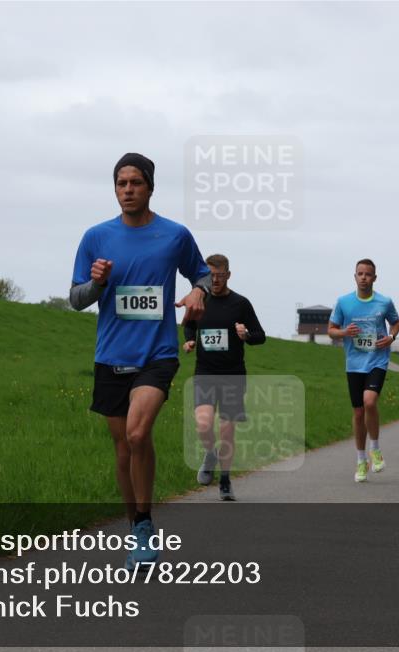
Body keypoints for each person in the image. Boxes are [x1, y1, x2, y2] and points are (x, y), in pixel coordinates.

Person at [70, 152, 212, 569]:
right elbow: (75, 299)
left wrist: (199, 291)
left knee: (136, 434)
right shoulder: (96, 237)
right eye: (121, 183)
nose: (128, 190)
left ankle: (145, 524)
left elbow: (202, 274)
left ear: (150, 187)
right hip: (111, 355)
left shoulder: (174, 235)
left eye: (135, 182)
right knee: (123, 449)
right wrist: (96, 283)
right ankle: (136, 527)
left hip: (157, 354)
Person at [183, 254, 266, 501]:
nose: (216, 280)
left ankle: (225, 480)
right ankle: (210, 454)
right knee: (203, 423)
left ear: (228, 275)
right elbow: (189, 324)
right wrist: (190, 340)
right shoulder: (200, 299)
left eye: (220, 276)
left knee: (227, 431)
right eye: (211, 276)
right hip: (205, 372)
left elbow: (260, 336)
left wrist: (246, 335)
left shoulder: (240, 303)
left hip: (233, 374)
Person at [327, 259, 399, 482]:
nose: (363, 278)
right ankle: (361, 461)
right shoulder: (344, 302)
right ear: (355, 276)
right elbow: (331, 330)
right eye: (360, 274)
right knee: (358, 412)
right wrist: (344, 332)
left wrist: (391, 337)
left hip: (377, 360)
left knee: (369, 402)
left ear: (374, 278)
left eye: (367, 274)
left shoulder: (384, 302)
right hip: (354, 363)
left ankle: (375, 449)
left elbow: (396, 322)